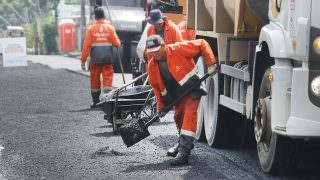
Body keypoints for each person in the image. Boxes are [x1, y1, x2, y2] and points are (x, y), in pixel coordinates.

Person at [146, 35, 217, 166]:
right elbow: (156, 88)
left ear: (163, 45)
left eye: (157, 50)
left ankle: (184, 153)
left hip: (192, 88)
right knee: (178, 118)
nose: (155, 54)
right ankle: (181, 143)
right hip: (177, 95)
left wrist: (211, 63)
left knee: (189, 116)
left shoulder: (178, 49)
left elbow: (202, 43)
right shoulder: (152, 66)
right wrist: (161, 106)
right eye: (151, 51)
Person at [81, 7, 121, 108]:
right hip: (107, 60)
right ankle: (107, 101)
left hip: (95, 60)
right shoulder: (110, 28)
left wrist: (83, 60)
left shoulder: (90, 29)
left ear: (95, 17)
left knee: (95, 82)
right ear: (105, 16)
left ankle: (95, 102)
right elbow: (117, 43)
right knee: (107, 82)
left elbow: (86, 46)